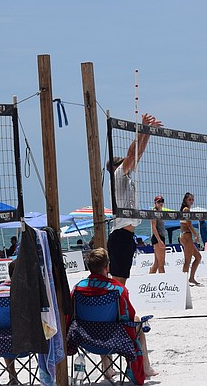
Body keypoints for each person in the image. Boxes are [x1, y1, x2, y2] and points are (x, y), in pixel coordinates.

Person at [72, 248, 157, 383]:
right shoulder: (117, 289)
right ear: (107, 267)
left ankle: (107, 367)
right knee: (136, 322)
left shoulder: (77, 288)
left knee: (98, 322)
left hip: (85, 339)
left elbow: (72, 315)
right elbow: (129, 316)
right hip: (114, 340)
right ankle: (145, 368)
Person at [107, 112, 162, 285]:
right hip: (120, 236)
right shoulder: (117, 174)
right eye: (122, 162)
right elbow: (131, 155)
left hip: (127, 236)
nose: (128, 164)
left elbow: (137, 155)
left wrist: (148, 133)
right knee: (119, 280)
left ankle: (122, 310)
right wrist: (141, 130)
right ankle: (119, 310)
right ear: (116, 166)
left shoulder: (126, 177)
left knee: (122, 279)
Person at [0, 260, 19, 385]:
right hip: (25, 340)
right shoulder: (25, 291)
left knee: (5, 327)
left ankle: (12, 376)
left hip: (0, 340)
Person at [179, 192, 202, 286]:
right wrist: (196, 235)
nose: (192, 201)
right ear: (185, 200)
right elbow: (189, 224)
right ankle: (183, 282)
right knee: (187, 260)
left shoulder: (185, 209)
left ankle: (191, 278)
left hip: (185, 235)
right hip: (186, 236)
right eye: (190, 199)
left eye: (192, 199)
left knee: (198, 257)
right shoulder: (186, 209)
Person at [149, 196, 167, 274]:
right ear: (155, 203)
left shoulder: (160, 212)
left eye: (162, 201)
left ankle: (149, 279)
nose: (161, 203)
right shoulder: (154, 212)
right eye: (159, 202)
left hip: (160, 237)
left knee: (156, 263)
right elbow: (153, 227)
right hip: (157, 238)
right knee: (161, 264)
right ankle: (163, 281)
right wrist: (159, 240)